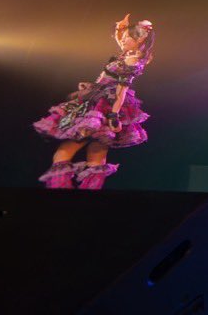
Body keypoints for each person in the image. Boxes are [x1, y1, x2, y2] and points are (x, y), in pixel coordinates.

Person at [34, 14, 155, 189]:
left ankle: (60, 190)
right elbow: (119, 39)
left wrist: (113, 115)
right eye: (124, 37)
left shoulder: (132, 59)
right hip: (98, 98)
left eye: (128, 37)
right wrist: (121, 28)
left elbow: (122, 90)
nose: (123, 40)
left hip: (104, 105)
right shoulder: (127, 53)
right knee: (96, 156)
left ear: (140, 40)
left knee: (65, 152)